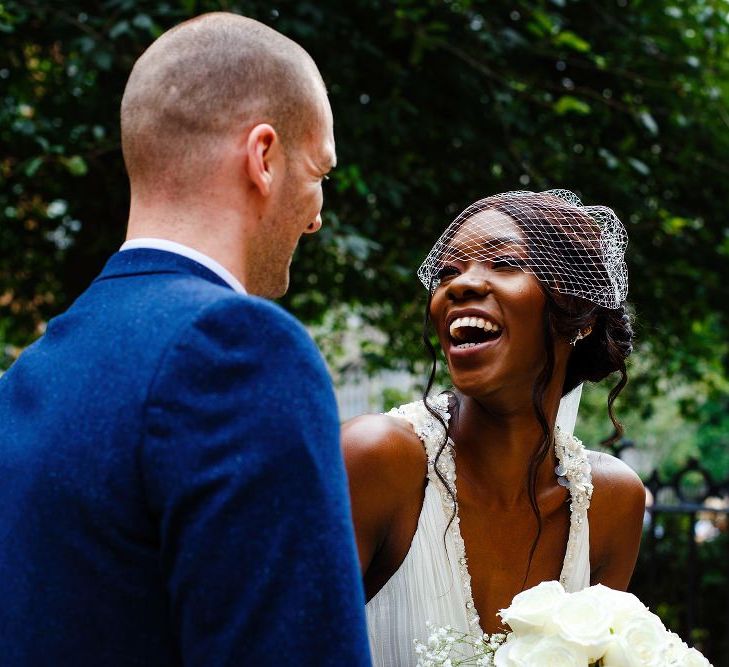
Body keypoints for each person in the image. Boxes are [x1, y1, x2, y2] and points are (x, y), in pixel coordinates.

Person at [0, 13, 370, 666]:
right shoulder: (237, 350)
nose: (316, 215)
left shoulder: (39, 368)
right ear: (263, 158)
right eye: (319, 172)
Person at [343, 189, 646, 665]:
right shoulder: (376, 459)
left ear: (579, 314)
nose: (460, 285)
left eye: (504, 263)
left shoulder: (612, 504)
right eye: (448, 271)